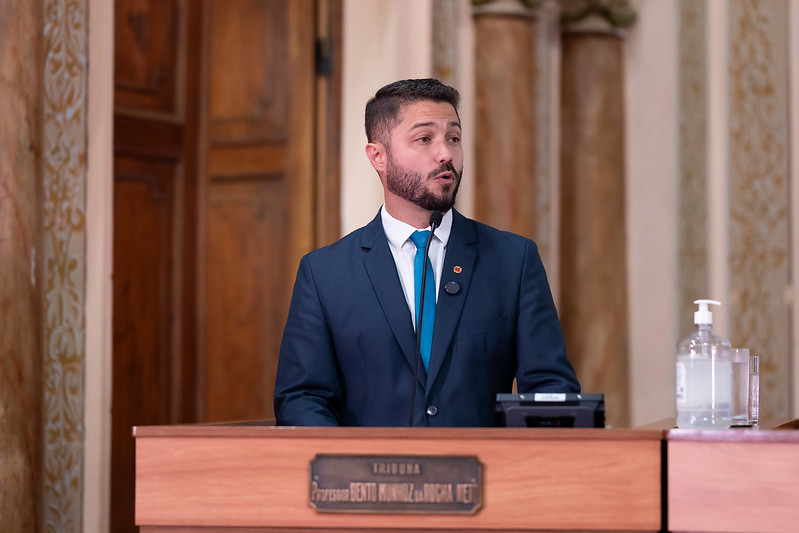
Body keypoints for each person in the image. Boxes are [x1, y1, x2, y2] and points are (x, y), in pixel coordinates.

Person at [274, 78, 579, 427]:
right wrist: (351, 458)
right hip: (368, 464)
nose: (445, 154)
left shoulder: (513, 260)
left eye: (454, 138)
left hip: (485, 462)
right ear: (378, 156)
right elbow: (302, 398)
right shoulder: (325, 273)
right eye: (424, 139)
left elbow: (550, 387)